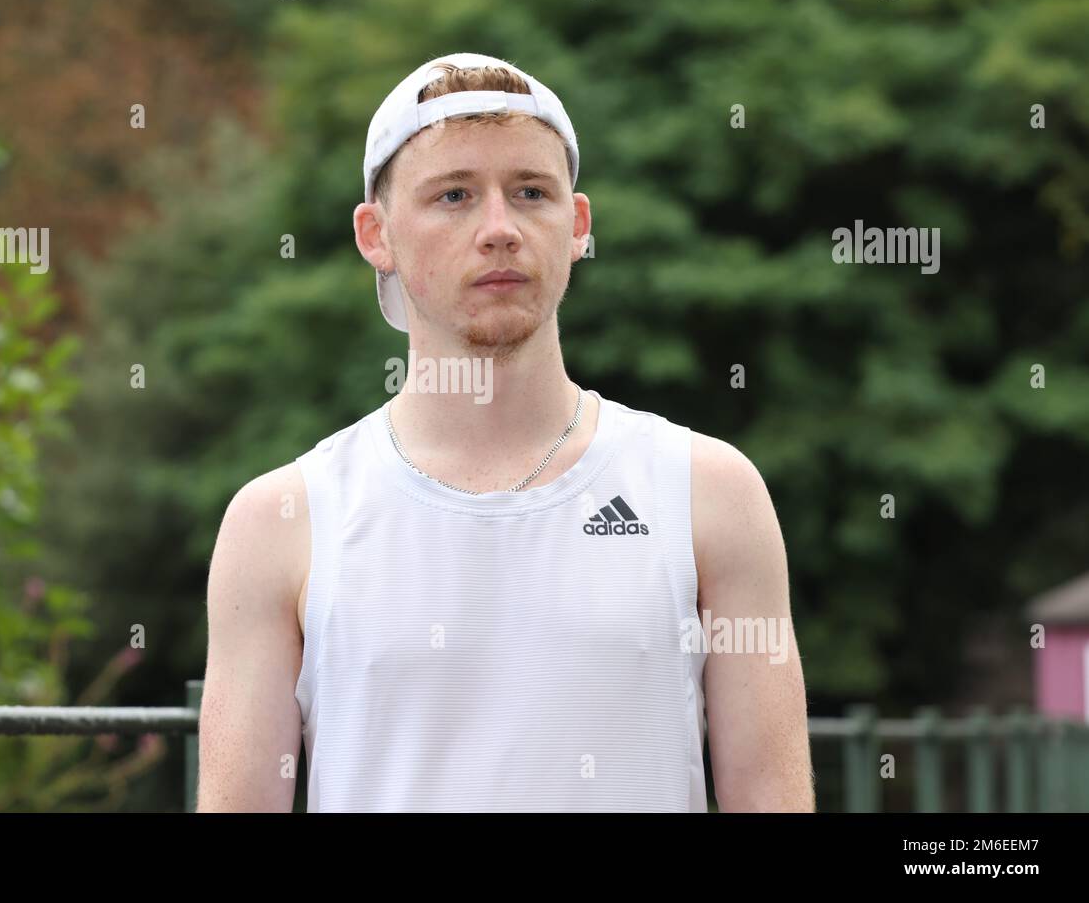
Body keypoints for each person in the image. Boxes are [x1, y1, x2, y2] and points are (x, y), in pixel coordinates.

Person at [196, 52, 815, 812]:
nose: (499, 229)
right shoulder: (281, 522)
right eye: (454, 195)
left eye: (530, 192)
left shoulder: (709, 492)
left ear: (578, 224)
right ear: (375, 234)